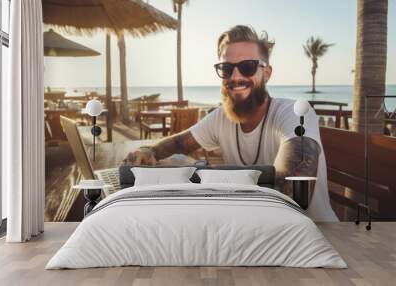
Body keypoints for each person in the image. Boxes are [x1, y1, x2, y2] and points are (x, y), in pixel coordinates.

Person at [123, 25, 338, 222]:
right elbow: (179, 143)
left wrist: (208, 179)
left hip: (314, 233)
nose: (235, 77)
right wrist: (148, 150)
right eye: (227, 68)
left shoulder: (295, 113)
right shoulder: (221, 118)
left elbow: (291, 191)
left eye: (247, 66)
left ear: (267, 73)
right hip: (253, 229)